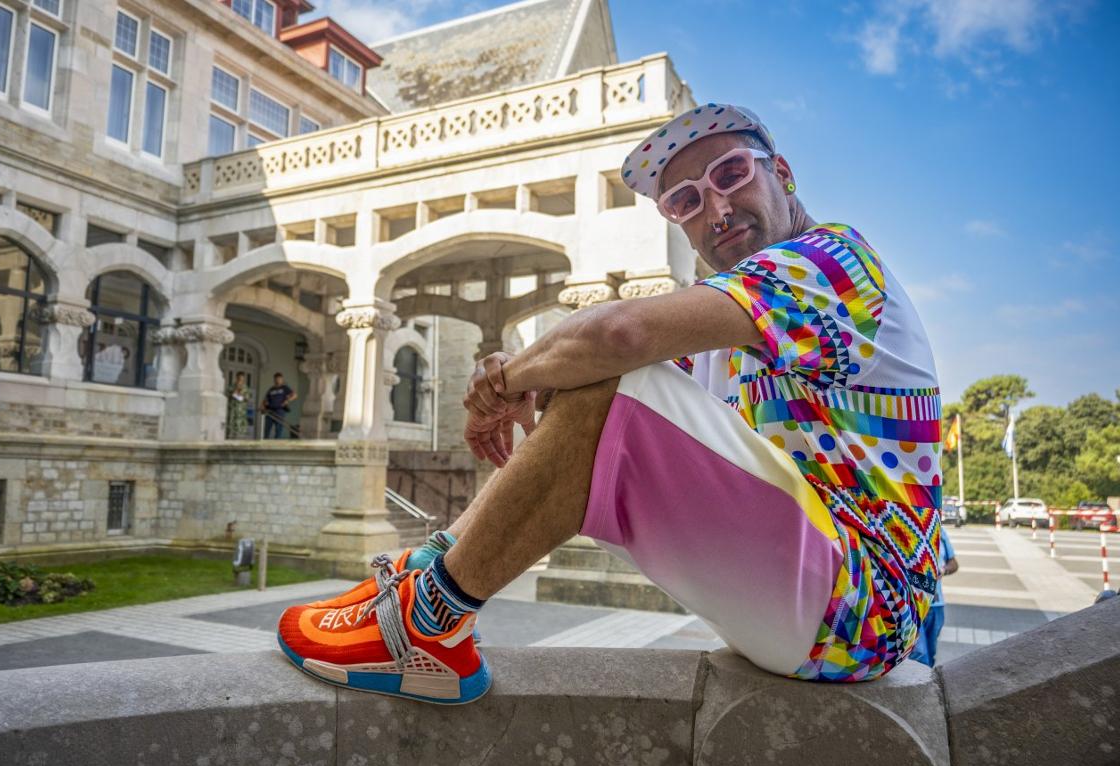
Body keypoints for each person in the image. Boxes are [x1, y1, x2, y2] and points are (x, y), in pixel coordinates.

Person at [277, 103, 944, 704]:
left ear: (783, 173)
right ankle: (426, 575)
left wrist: (507, 384)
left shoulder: (834, 261)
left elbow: (617, 338)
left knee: (612, 364)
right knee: (599, 371)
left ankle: (428, 622)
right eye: (685, 200)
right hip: (815, 596)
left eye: (731, 174)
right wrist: (527, 374)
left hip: (864, 608)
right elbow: (585, 418)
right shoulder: (727, 332)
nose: (716, 209)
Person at [909, 528, 958, 667]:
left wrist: (944, 570)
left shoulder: (940, 531)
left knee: (930, 654)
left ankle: (927, 686)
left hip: (936, 605)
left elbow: (953, 563)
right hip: (913, 606)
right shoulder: (903, 525)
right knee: (918, 654)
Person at [262, 372, 295, 439]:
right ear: (274, 379)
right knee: (267, 430)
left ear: (282, 379)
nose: (278, 380)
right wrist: (263, 405)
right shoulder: (271, 389)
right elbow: (265, 399)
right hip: (270, 411)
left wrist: (287, 401)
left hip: (279, 411)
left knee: (278, 430)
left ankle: (276, 445)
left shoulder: (284, 388)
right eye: (276, 379)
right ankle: (265, 445)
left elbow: (295, 395)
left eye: (279, 379)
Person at [226, 372, 251, 440]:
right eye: (239, 379)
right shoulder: (231, 386)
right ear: (236, 378)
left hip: (241, 412)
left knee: (241, 431)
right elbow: (228, 394)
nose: (241, 381)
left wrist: (241, 393)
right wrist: (236, 389)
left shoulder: (246, 388)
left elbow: (247, 398)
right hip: (232, 411)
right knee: (231, 430)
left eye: (242, 380)